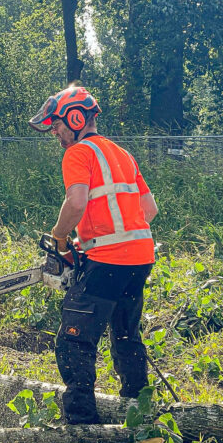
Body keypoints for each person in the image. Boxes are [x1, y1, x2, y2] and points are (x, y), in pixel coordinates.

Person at [29, 86, 159, 424]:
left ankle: (82, 423)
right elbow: (149, 209)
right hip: (140, 258)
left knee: (75, 339)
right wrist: (99, 242)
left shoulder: (78, 152)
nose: (55, 131)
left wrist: (60, 237)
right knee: (126, 334)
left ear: (75, 117)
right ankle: (139, 414)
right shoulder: (121, 153)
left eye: (56, 124)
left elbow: (76, 202)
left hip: (109, 261)